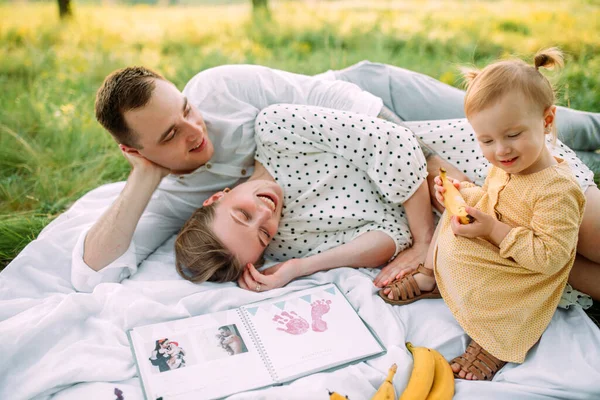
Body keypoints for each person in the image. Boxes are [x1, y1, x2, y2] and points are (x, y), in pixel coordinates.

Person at [71, 62, 600, 300]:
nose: (194, 129)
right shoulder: (180, 195)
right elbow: (91, 271)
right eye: (168, 134)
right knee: (556, 257)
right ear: (134, 149)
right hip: (429, 194)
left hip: (376, 105)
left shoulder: (225, 92)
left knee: (529, 113)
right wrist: (144, 175)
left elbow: (359, 119)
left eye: (186, 110)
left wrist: (432, 167)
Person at [382, 49, 586, 381]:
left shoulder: (556, 190)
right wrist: (465, 194)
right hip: (501, 250)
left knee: (478, 271)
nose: (501, 150)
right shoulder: (507, 166)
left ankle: (496, 340)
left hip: (524, 277)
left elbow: (551, 257)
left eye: (513, 135)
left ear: (546, 121)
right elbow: (495, 203)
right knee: (451, 222)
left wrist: (491, 229)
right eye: (487, 140)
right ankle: (434, 277)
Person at [174, 103, 434, 290]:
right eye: (263, 234)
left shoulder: (277, 131)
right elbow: (392, 235)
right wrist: (302, 267)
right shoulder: (283, 243)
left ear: (216, 197)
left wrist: (424, 241)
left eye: (242, 215)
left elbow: (395, 140)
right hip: (449, 228)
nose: (265, 214)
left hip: (450, 163)